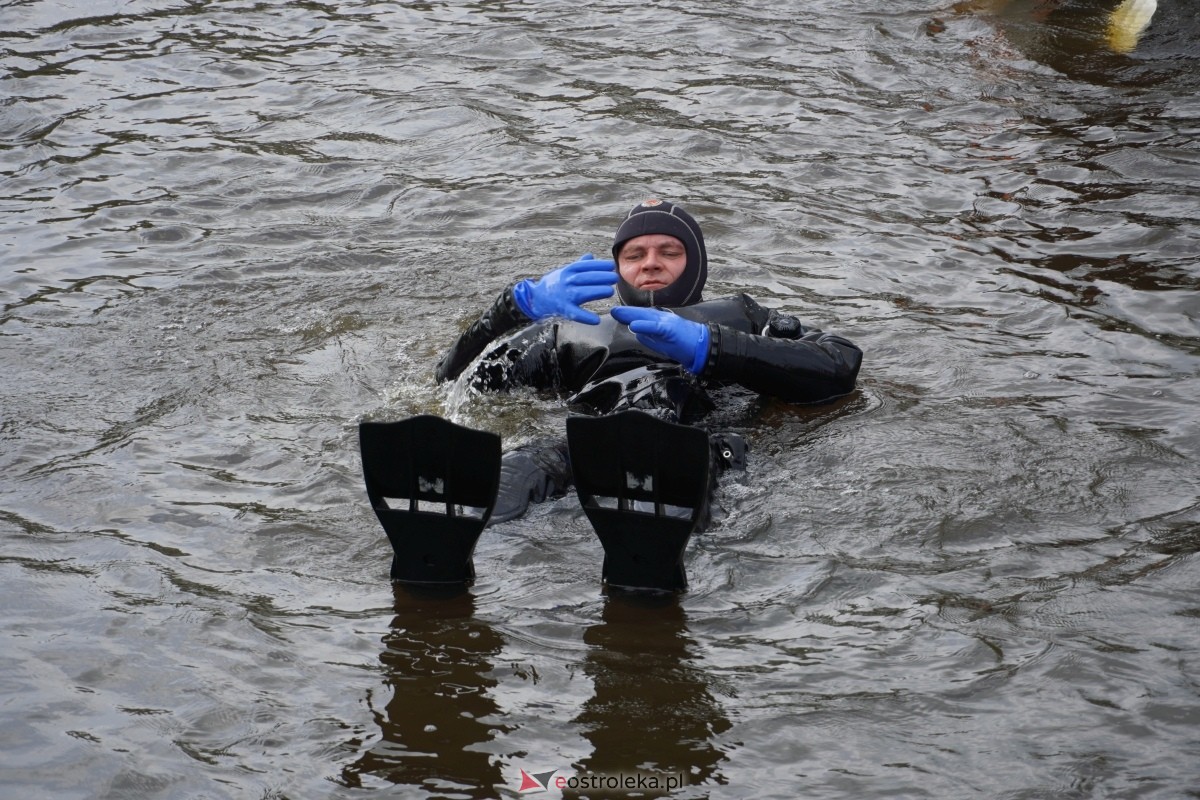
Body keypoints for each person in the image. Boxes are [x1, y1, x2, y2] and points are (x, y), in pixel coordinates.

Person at [435, 198, 863, 523]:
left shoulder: (741, 317)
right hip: (584, 446)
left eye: (669, 252)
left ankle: (657, 550)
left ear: (695, 263)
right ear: (618, 268)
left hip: (697, 445)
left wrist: (709, 347)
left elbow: (839, 366)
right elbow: (456, 381)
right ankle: (456, 532)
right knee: (527, 464)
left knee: (695, 457)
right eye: (634, 255)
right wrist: (513, 306)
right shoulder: (568, 329)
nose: (651, 263)